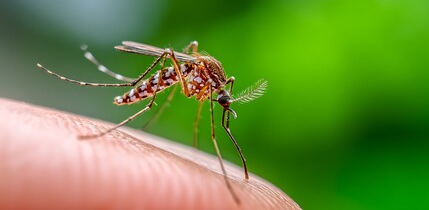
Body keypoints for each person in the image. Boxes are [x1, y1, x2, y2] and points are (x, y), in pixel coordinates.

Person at [0, 98, 301, 209]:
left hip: (188, 75)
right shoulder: (206, 84)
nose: (223, 104)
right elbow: (214, 129)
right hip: (173, 71)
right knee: (209, 131)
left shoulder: (219, 87)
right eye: (223, 99)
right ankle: (139, 99)